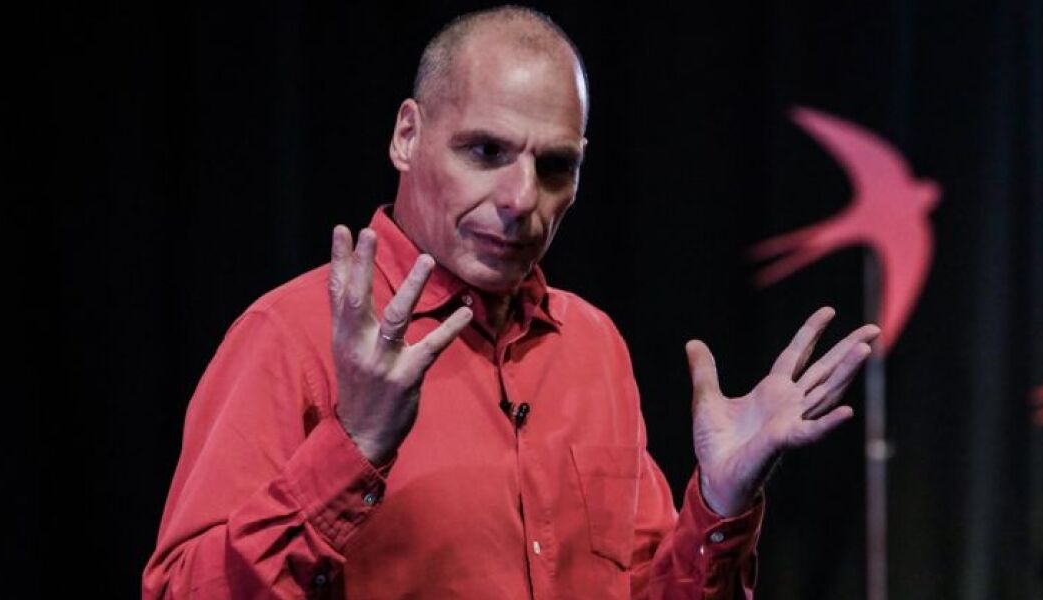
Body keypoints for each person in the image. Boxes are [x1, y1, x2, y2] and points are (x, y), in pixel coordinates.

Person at [143, 6, 880, 599]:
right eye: (486, 152)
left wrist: (720, 505)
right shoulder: (291, 335)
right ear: (407, 135)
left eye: (555, 165)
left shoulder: (592, 345)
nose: (523, 199)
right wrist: (353, 448)